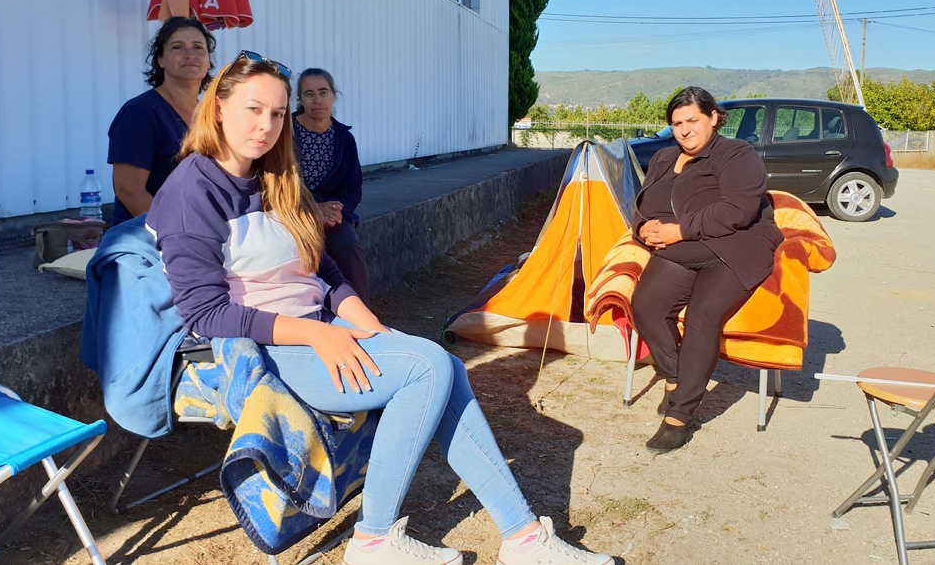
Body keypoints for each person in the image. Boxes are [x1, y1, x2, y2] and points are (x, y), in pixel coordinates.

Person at [146, 52, 611, 565]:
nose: (266, 126)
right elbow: (204, 315)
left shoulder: (277, 177)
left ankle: (522, 537)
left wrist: (370, 326)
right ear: (218, 109)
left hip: (320, 326)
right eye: (254, 109)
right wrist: (318, 336)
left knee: (442, 365)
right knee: (429, 367)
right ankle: (374, 540)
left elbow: (324, 274)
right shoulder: (192, 189)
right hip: (263, 349)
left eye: (278, 114)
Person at [629, 86, 783, 453]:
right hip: (686, 248)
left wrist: (679, 230)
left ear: (713, 117)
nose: (684, 129)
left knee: (702, 315)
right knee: (647, 304)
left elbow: (738, 210)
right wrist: (642, 229)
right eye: (677, 123)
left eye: (692, 120)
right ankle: (675, 377)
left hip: (736, 247)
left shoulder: (736, 155)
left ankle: (680, 416)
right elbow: (644, 203)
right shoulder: (665, 158)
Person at [107, 17, 215, 225]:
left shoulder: (212, 114)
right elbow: (129, 190)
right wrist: (174, 235)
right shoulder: (139, 113)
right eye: (177, 47)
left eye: (198, 47)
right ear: (160, 60)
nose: (189, 54)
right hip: (149, 241)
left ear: (208, 61)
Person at [292, 68, 370, 299]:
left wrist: (336, 212)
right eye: (309, 94)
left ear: (334, 95)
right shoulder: (286, 132)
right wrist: (310, 211)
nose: (317, 100)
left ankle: (363, 317)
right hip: (293, 210)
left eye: (323, 92)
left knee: (347, 246)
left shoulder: (344, 138)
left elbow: (353, 188)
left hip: (332, 215)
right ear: (300, 99)